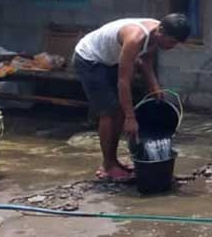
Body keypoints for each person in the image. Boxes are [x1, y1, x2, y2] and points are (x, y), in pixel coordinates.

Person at [73, 14, 190, 182]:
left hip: (110, 60)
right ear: (161, 31)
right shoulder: (135, 38)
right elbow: (123, 81)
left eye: (176, 43)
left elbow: (146, 58)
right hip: (90, 59)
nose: (172, 46)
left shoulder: (157, 33)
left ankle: (114, 162)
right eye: (171, 42)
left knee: (119, 108)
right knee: (108, 111)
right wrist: (130, 117)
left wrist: (154, 86)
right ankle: (108, 166)